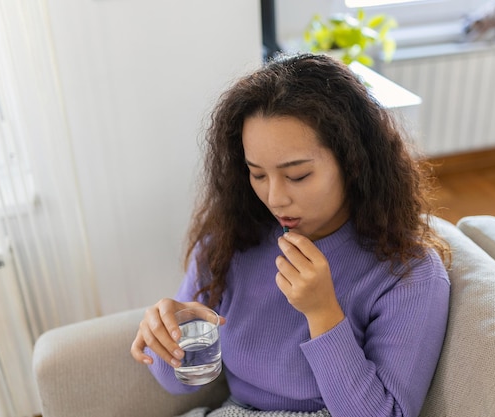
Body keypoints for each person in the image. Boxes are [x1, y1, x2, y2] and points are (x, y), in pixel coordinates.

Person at [130, 53, 451, 417]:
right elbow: (179, 382)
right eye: (258, 174)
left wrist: (323, 312)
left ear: (353, 162)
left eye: (297, 175)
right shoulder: (231, 241)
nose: (275, 198)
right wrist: (170, 334)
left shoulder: (408, 273)